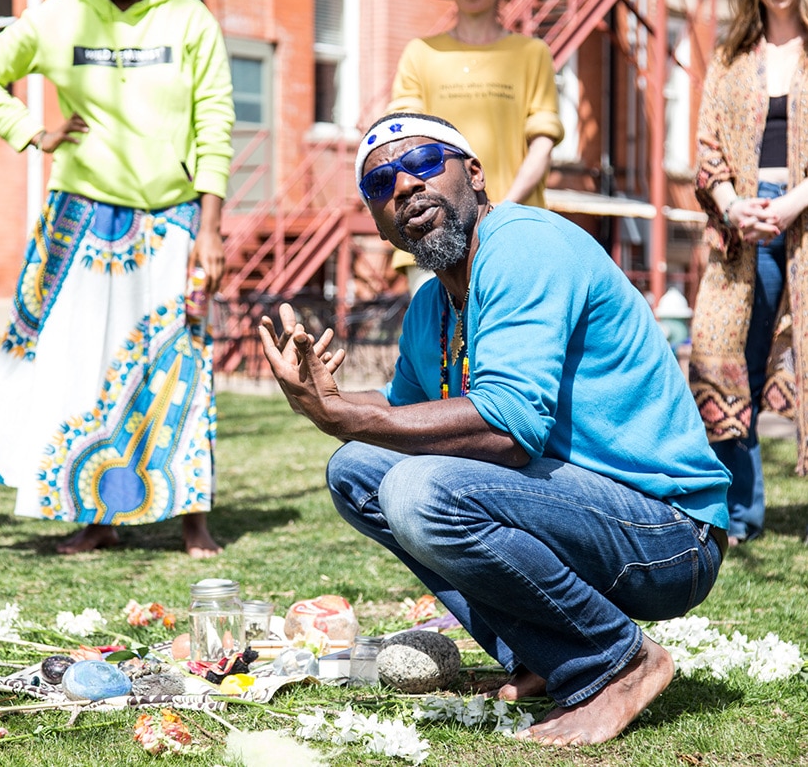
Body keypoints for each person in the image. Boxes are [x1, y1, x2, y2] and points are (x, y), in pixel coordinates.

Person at [259, 113, 730, 746]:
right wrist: (327, 397)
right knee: (357, 471)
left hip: (667, 536)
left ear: (474, 174)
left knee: (419, 491)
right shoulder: (431, 306)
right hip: (574, 515)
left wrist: (355, 416)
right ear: (376, 217)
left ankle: (619, 661)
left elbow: (507, 429)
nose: (403, 186)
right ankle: (540, 654)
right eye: (379, 183)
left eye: (424, 162)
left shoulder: (524, 246)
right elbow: (401, 423)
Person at [0, 0, 234, 558]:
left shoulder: (189, 19)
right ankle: (95, 516)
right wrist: (34, 132)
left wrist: (211, 226)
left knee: (179, 363)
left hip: (171, 219)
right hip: (80, 221)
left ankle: (191, 514)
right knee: (86, 368)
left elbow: (215, 123)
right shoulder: (58, 19)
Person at [689, 0, 808, 546]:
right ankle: (740, 513)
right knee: (725, 361)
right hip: (741, 226)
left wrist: (790, 205)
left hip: (802, 219)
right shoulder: (732, 56)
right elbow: (707, 144)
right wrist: (734, 204)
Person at [388, 0, 564, 292]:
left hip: (516, 232)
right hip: (434, 229)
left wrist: (501, 213)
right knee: (438, 347)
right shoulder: (420, 54)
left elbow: (543, 143)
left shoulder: (532, 53)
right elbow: (403, 143)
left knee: (507, 346)